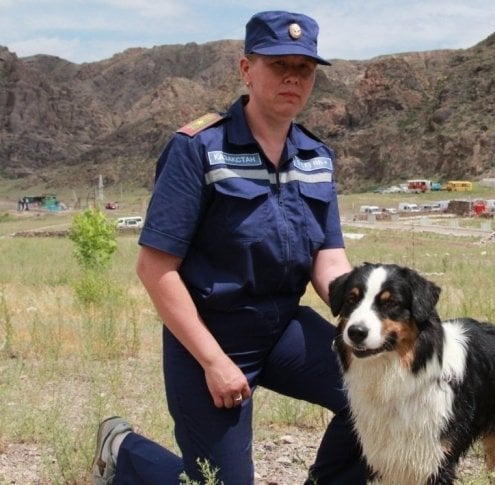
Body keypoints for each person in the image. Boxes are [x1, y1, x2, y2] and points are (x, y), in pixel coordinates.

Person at [91, 10, 366, 485]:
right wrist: (215, 361)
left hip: (282, 325)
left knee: (378, 398)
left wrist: (365, 315)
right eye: (278, 64)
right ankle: (124, 452)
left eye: (304, 68)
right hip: (210, 333)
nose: (292, 78)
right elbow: (155, 269)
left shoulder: (316, 157)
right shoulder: (199, 147)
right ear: (246, 69)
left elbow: (330, 257)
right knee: (219, 482)